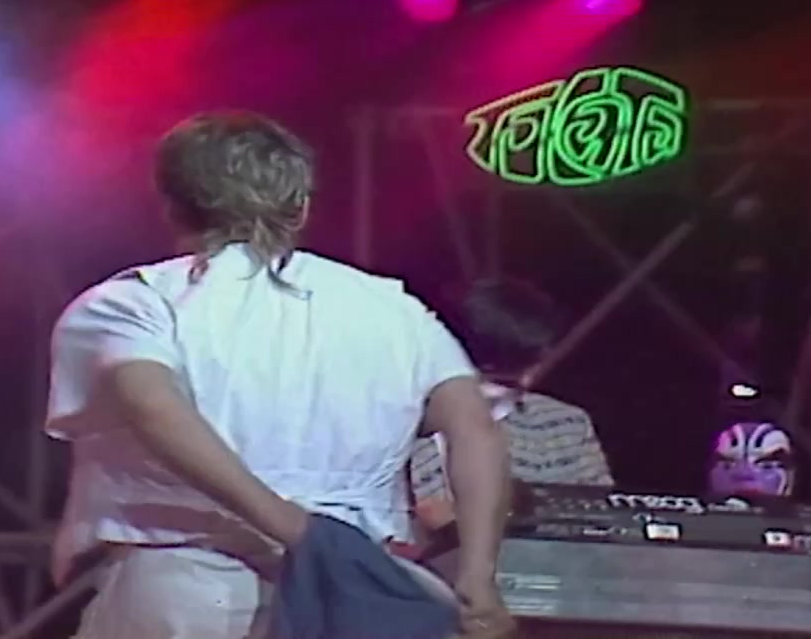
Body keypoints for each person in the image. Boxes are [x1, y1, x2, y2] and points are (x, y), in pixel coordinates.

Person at [45, 111, 514, 638]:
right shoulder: (395, 309)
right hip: (362, 592)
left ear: (171, 204)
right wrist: (478, 574)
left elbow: (154, 407)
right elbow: (474, 428)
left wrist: (294, 529)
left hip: (185, 586)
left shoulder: (133, 302)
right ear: (302, 206)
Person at [409, 278, 613, 534]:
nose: (522, 381)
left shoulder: (566, 424)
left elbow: (600, 525)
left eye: (512, 377)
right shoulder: (396, 419)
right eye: (490, 377)